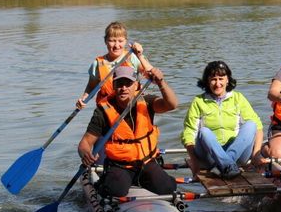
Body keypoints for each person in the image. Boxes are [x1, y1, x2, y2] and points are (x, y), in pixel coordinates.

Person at [78, 65, 179, 197]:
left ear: (136, 85)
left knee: (168, 188)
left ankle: (143, 181)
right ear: (114, 86)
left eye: (128, 83)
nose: (124, 88)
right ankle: (104, 183)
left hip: (146, 162)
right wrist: (85, 154)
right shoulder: (102, 111)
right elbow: (84, 143)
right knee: (114, 191)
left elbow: (172, 104)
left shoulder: (147, 102)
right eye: (120, 84)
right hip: (120, 165)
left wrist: (161, 82)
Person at [181, 60, 263, 180]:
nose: (217, 83)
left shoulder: (238, 98)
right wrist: (194, 162)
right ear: (207, 81)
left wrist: (257, 154)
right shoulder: (198, 101)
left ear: (227, 80)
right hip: (209, 156)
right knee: (204, 132)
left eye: (221, 78)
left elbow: (258, 127)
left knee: (251, 124)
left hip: (238, 154)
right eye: (213, 79)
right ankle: (227, 165)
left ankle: (224, 165)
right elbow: (188, 133)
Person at [76, 21, 153, 109]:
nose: (117, 45)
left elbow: (153, 77)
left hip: (131, 107)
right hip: (108, 109)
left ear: (126, 41)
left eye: (120, 41)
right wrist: (83, 99)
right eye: (112, 41)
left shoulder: (133, 58)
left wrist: (140, 55)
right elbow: (91, 87)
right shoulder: (97, 64)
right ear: (105, 41)